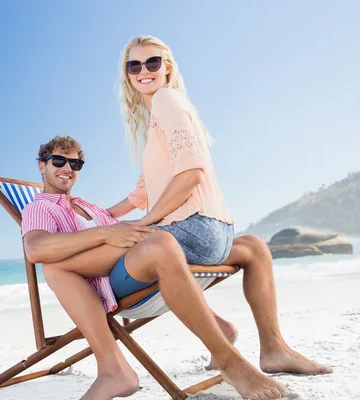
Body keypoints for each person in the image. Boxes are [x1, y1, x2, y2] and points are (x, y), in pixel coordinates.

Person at [107, 34, 333, 375]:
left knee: (106, 253)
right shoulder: (164, 113)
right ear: (127, 73)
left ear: (167, 68)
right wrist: (104, 215)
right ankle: (274, 349)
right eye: (134, 65)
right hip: (218, 232)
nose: (143, 71)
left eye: (152, 62)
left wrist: (149, 220)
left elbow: (191, 176)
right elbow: (142, 192)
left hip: (191, 229)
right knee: (254, 247)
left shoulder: (167, 101)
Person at [22, 134, 290, 400]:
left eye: (75, 164)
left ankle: (273, 347)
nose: (67, 169)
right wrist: (104, 234)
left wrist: (141, 207)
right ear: (42, 166)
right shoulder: (40, 207)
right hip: (114, 285)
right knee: (161, 243)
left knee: (252, 246)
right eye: (58, 161)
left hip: (151, 267)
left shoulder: (86, 206)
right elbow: (36, 249)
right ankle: (229, 361)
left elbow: (121, 221)